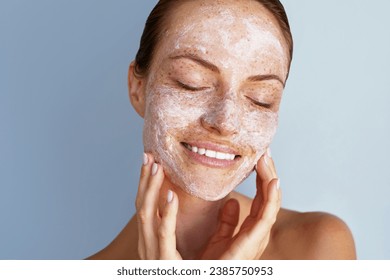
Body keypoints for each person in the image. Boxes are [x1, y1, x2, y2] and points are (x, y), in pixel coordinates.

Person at [88, 0, 356, 260]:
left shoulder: (319, 249)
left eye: (260, 98)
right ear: (138, 90)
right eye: (191, 82)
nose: (226, 122)